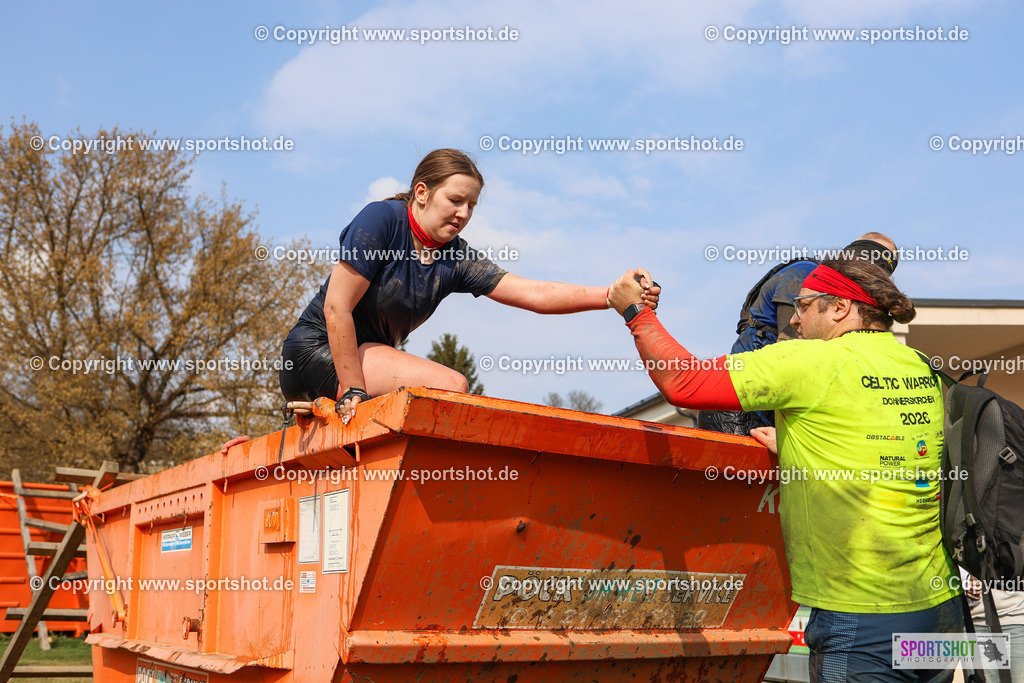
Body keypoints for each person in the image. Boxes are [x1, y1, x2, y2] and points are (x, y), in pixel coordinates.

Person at [608, 257, 962, 682]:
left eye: (804, 304)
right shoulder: (920, 367)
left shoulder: (813, 361)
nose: (793, 319)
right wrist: (800, 446)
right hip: (942, 610)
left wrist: (635, 312)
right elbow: (884, 444)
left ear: (840, 308)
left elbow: (685, 382)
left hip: (862, 614)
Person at [279, 148, 659, 422]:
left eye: (472, 205)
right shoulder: (382, 219)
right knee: (451, 384)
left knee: (444, 389)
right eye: (455, 200)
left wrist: (612, 296)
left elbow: (534, 293)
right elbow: (336, 307)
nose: (464, 214)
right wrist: (352, 391)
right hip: (315, 352)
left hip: (369, 359)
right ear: (422, 193)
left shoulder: (454, 257)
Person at [698, 233, 899, 436]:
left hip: (764, 404)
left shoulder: (836, 297)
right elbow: (789, 351)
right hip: (739, 410)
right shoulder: (808, 277)